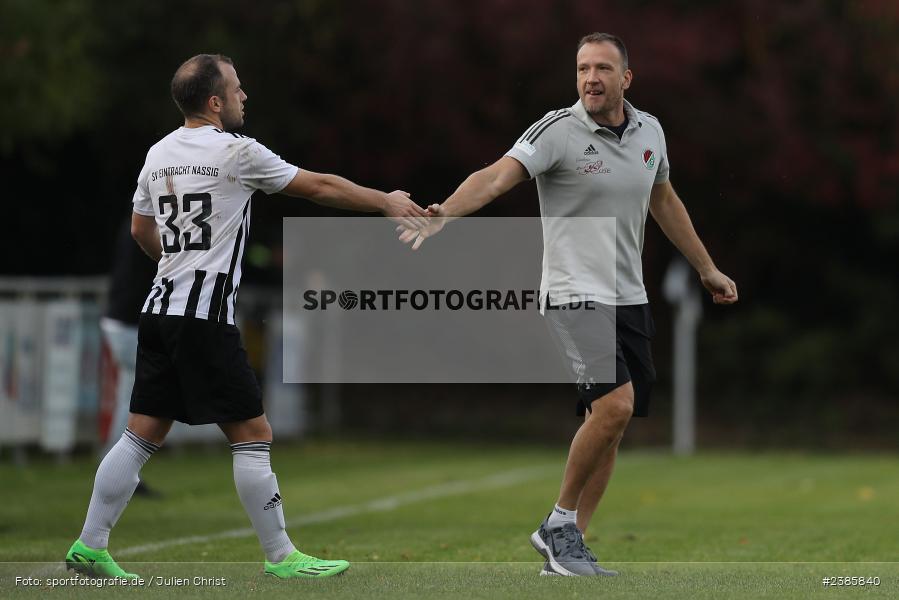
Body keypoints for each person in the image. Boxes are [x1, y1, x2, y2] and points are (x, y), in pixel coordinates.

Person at [65, 53, 427, 580]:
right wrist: (385, 202)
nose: (244, 96)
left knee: (140, 434)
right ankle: (282, 556)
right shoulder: (237, 152)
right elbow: (318, 186)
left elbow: (141, 229)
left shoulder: (157, 153)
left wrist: (176, 265)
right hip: (204, 316)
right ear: (215, 102)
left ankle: (90, 546)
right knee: (253, 434)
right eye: (237, 88)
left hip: (159, 310)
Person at [400, 33, 738, 576]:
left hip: (629, 296)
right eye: (582, 68)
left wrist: (706, 267)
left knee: (610, 424)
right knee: (616, 406)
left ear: (626, 78)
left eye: (602, 68)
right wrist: (447, 214)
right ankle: (557, 523)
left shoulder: (651, 131)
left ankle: (568, 545)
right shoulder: (557, 130)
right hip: (573, 293)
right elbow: (496, 176)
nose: (590, 79)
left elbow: (663, 199)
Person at [99, 217, 160, 498]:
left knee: (130, 398)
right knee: (140, 401)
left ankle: (115, 467)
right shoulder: (148, 226)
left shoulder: (136, 222)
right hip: (128, 323)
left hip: (121, 320)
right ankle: (119, 470)